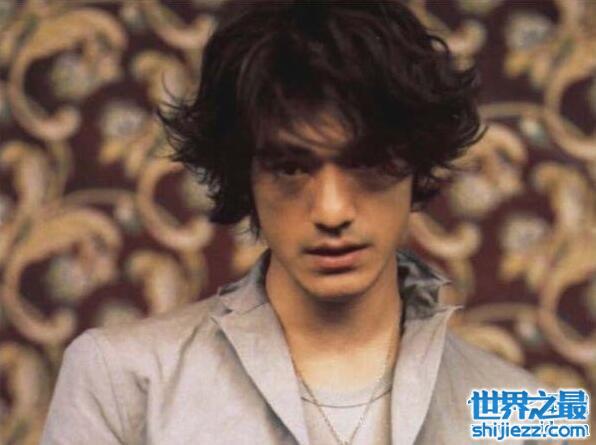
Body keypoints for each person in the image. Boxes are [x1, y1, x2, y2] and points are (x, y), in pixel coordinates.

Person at [41, 1, 562, 444]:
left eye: (368, 162)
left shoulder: (529, 409)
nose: (332, 212)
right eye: (291, 168)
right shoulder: (121, 379)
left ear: (415, 165)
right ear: (245, 174)